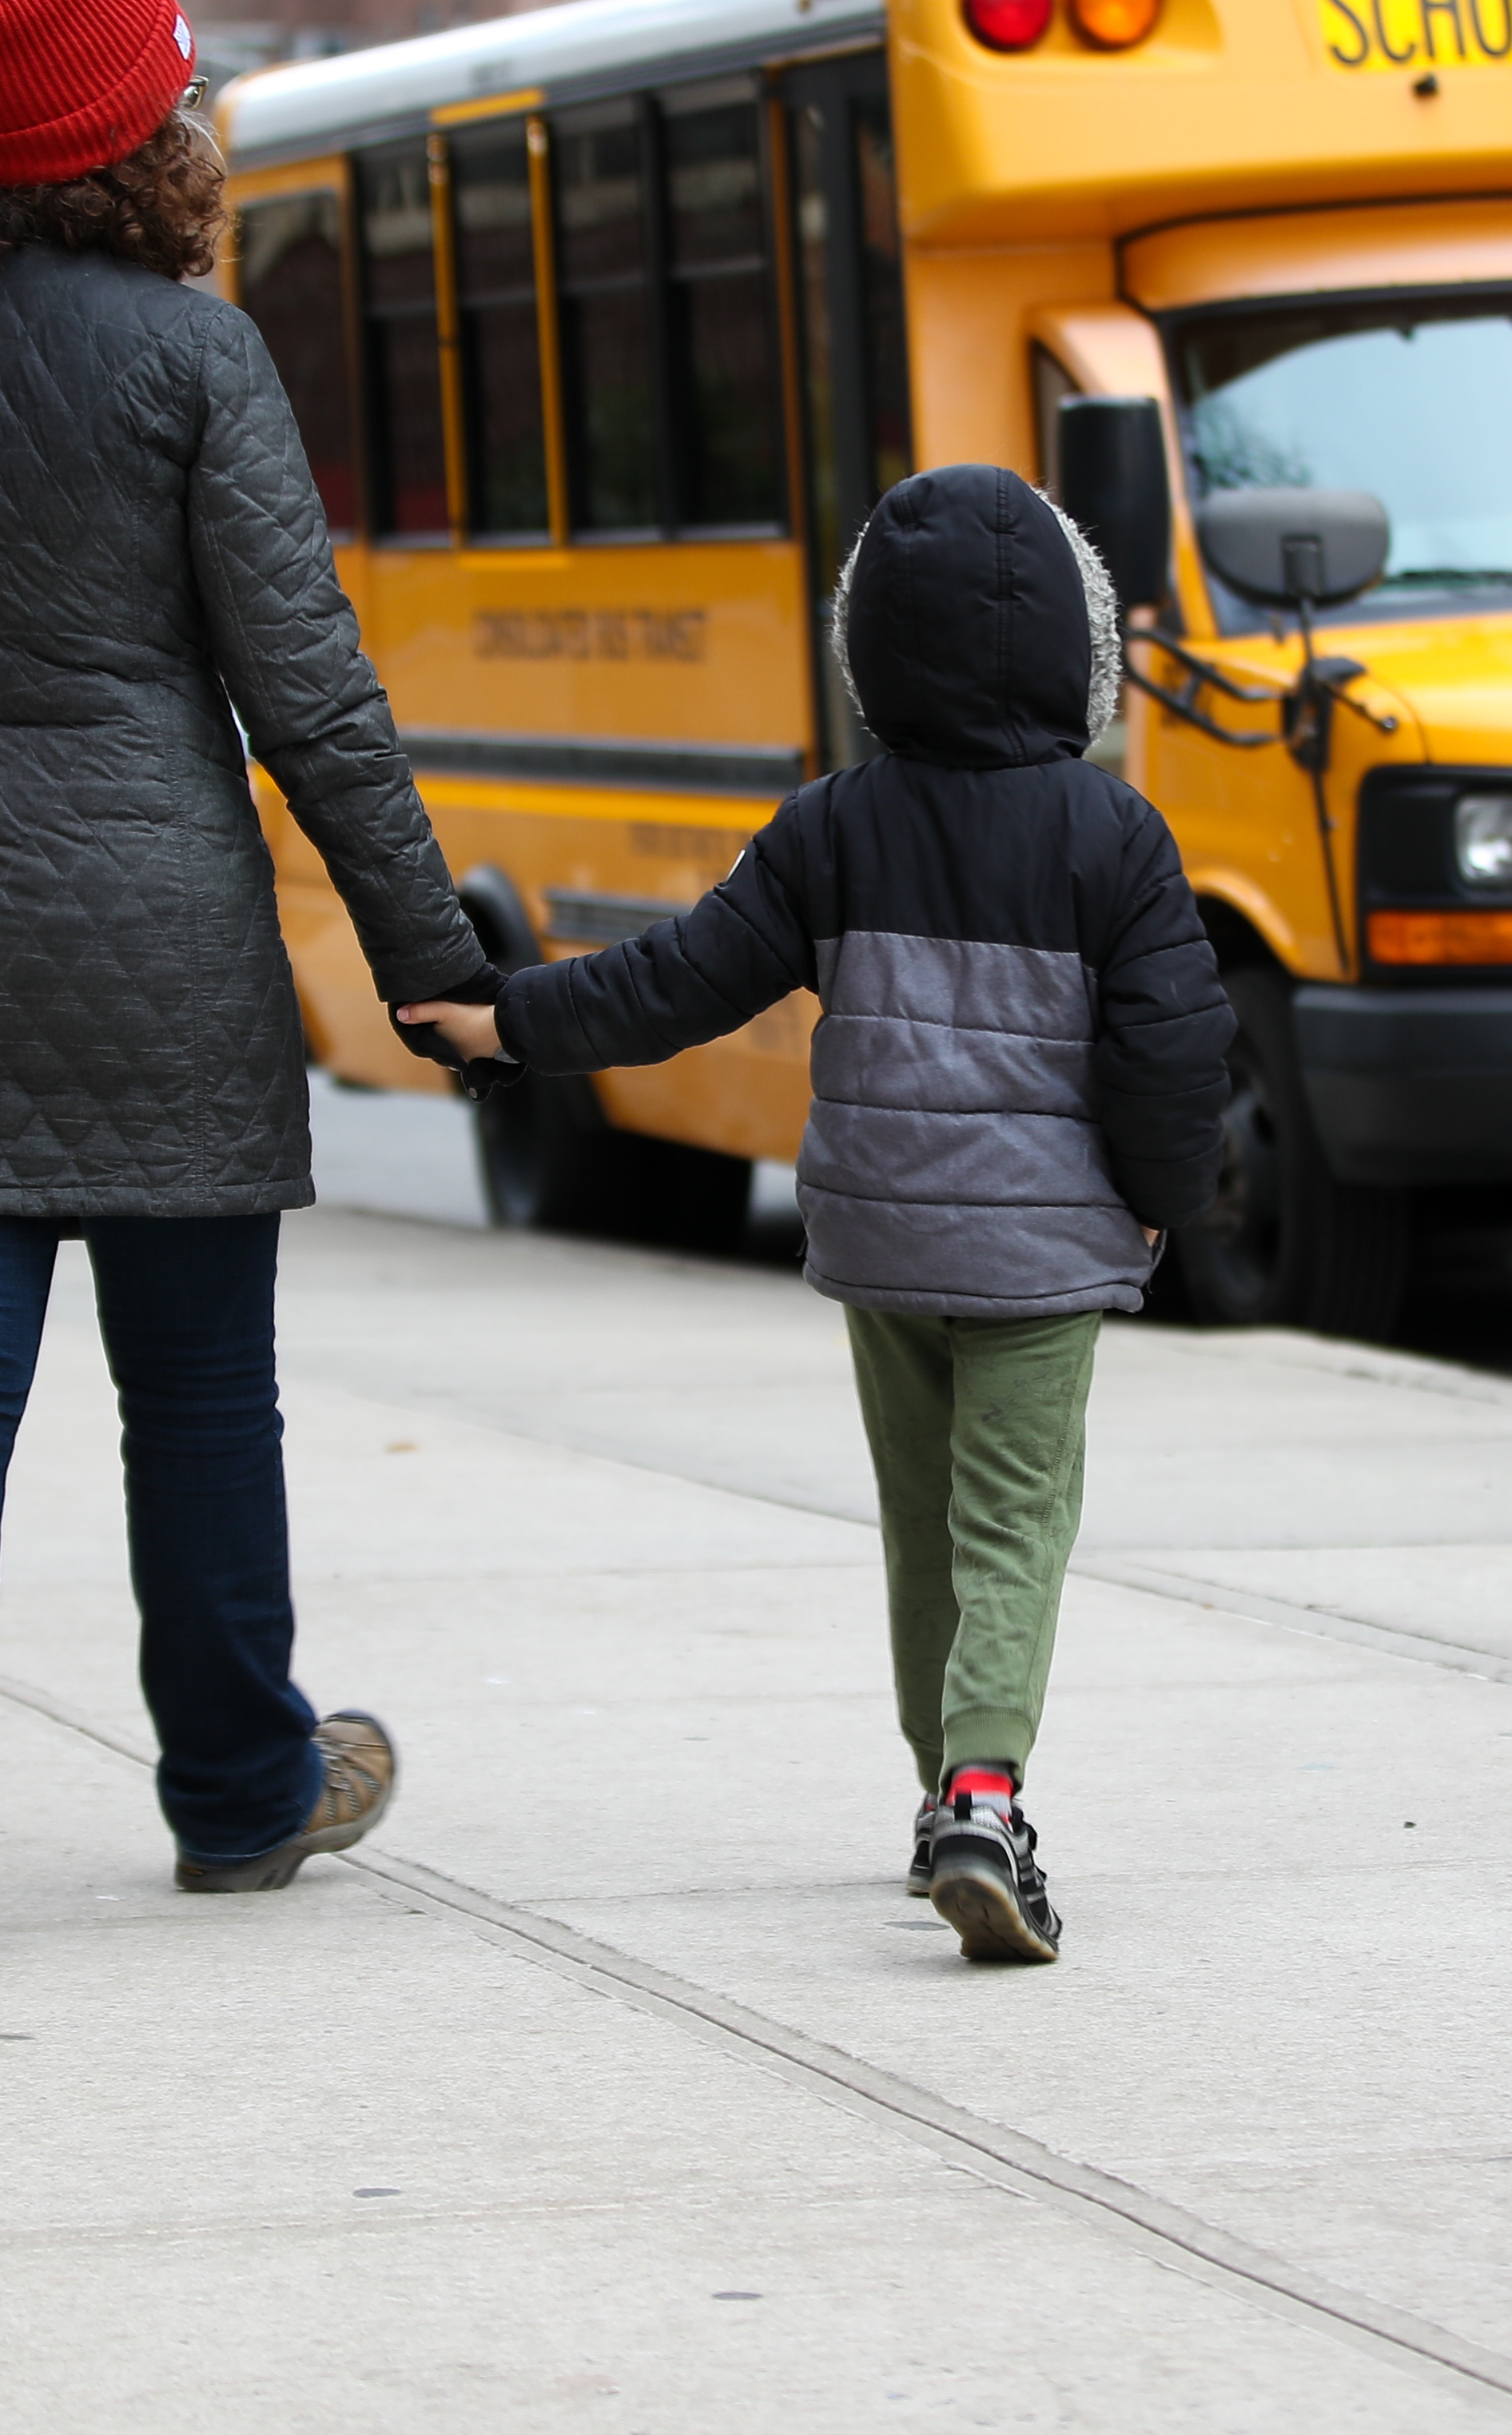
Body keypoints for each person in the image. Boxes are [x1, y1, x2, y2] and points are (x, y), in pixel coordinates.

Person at [0, 0, 498, 1955]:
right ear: (135, 138)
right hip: (159, 945)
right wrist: (430, 958)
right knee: (196, 1398)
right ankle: (244, 1790)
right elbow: (308, 690)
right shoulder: (193, 357)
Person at [400, 466, 1231, 1964]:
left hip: (885, 1239)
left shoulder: (829, 827)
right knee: (1013, 1524)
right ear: (1076, 645)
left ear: (869, 650)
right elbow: (1174, 1059)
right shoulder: (1116, 837)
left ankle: (939, 1793)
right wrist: (1165, 1209)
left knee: (924, 1526)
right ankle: (984, 1793)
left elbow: (672, 986)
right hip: (1044, 1249)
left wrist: (505, 1021)